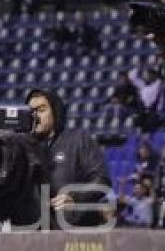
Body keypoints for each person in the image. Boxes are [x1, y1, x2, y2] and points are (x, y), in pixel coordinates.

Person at [26, 89, 112, 228]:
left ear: (55, 111)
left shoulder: (78, 139)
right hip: (32, 231)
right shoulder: (23, 146)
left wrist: (74, 197)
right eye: (31, 112)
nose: (35, 116)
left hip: (72, 230)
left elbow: (101, 180)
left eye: (41, 110)